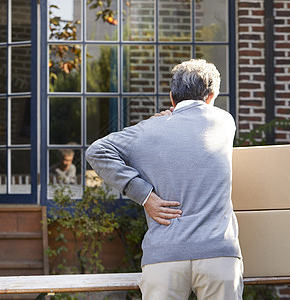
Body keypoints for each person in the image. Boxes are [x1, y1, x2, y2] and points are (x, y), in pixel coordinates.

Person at [86, 59, 243, 299]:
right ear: (212, 96)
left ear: (172, 97)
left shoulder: (147, 131)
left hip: (164, 256)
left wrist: (144, 195)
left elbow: (96, 150)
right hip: (218, 254)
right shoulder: (224, 122)